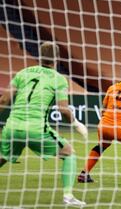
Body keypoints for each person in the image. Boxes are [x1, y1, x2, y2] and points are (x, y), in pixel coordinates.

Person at [0, 42, 88, 206]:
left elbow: (4, 100)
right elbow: (63, 109)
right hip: (36, 129)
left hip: (12, 127)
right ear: (57, 57)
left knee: (3, 157)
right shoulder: (58, 79)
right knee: (69, 152)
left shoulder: (23, 73)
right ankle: (68, 197)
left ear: (39, 56)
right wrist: (76, 124)